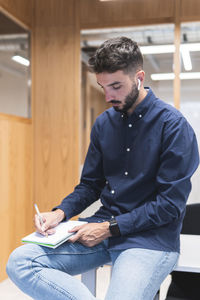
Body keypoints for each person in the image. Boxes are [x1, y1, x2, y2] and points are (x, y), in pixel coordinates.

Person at [6, 37, 199, 300]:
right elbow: (90, 185)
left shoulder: (174, 126)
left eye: (116, 86)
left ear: (139, 76)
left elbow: (169, 206)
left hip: (149, 240)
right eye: (102, 86)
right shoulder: (103, 124)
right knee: (20, 262)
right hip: (99, 229)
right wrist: (61, 213)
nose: (108, 96)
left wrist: (110, 227)